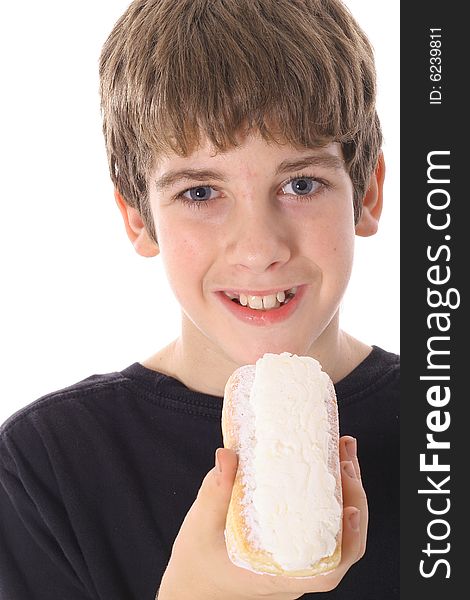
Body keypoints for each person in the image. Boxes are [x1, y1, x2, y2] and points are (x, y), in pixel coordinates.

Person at [0, 0, 399, 598]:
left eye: (301, 184)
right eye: (201, 192)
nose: (259, 248)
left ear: (366, 194)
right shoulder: (47, 465)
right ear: (139, 218)